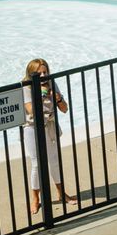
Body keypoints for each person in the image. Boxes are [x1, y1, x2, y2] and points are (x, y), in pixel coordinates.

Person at [21, 58, 74, 214]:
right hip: (32, 128)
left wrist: (57, 97)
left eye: (45, 72)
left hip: (49, 126)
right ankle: (36, 199)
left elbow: (64, 109)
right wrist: (42, 95)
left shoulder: (51, 83)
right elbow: (32, 111)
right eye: (39, 73)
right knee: (36, 164)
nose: (43, 75)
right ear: (31, 75)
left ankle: (61, 193)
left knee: (54, 161)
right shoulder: (26, 87)